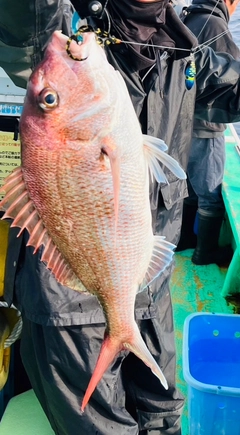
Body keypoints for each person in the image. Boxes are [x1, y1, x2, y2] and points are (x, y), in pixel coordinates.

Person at [1, 0, 240, 434]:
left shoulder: (184, 49)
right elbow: (25, 26)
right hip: (66, 303)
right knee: (100, 428)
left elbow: (232, 89)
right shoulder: (62, 30)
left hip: (144, 282)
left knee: (163, 412)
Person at [176, 0, 240, 266]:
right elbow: (232, 75)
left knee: (190, 187)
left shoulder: (188, 17)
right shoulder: (215, 22)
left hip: (183, 122)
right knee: (211, 193)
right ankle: (205, 252)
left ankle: (185, 240)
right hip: (206, 125)